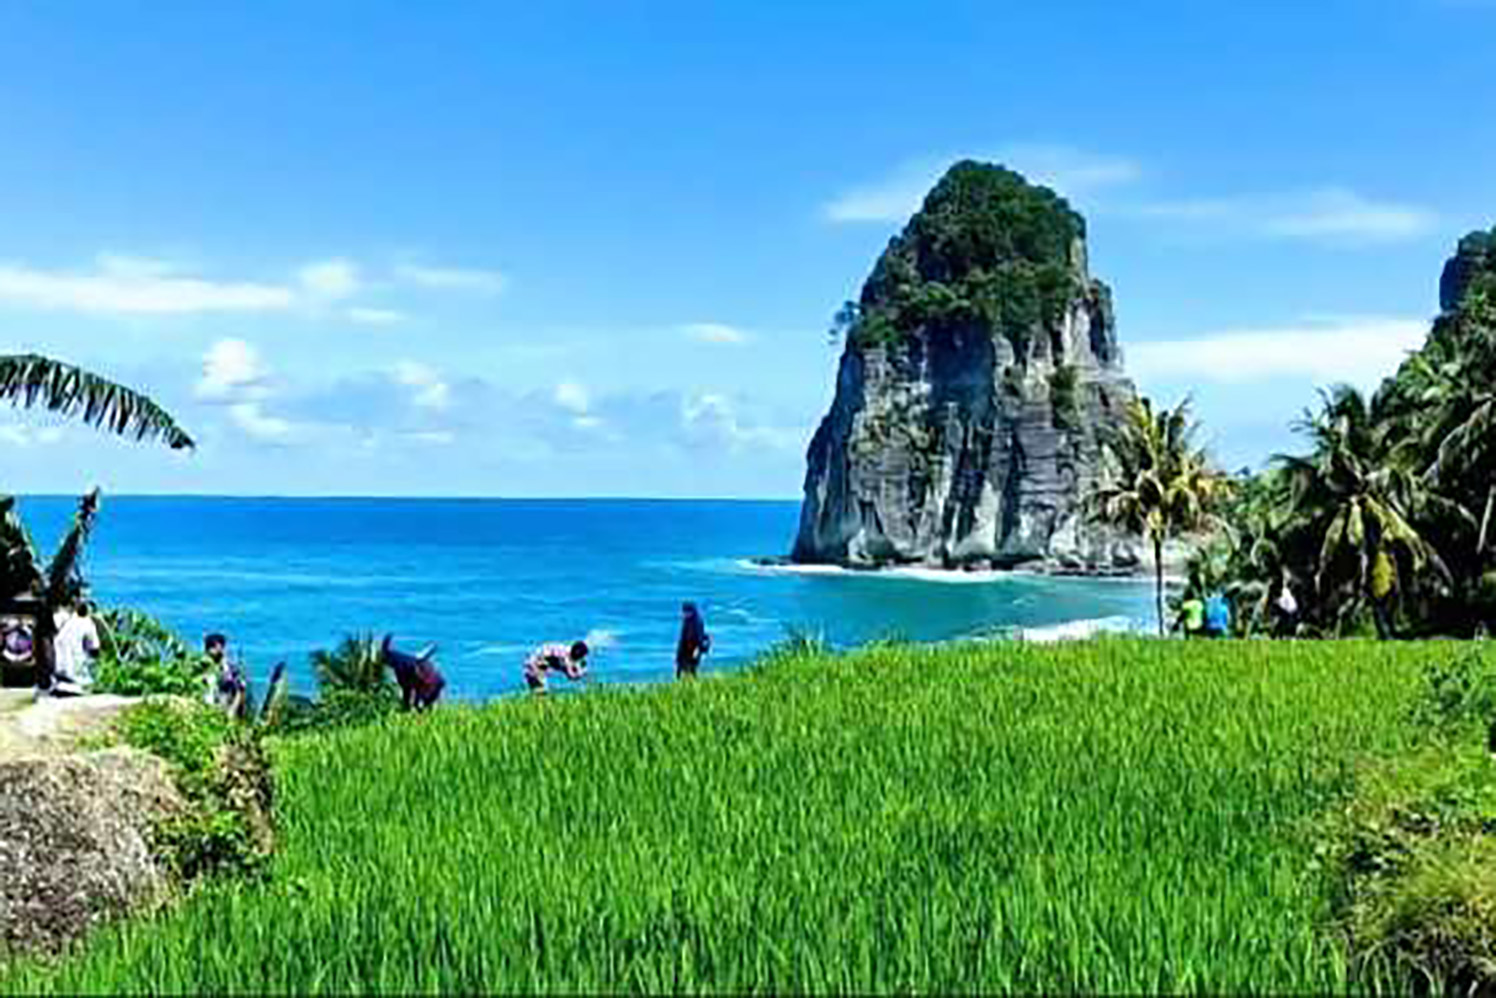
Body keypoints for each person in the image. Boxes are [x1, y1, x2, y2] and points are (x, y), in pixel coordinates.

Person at [381, 635, 446, 712]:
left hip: (415, 673)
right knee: (409, 690)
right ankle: (408, 707)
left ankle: (408, 708)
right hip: (413, 671)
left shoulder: (428, 680)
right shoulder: (422, 674)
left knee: (411, 692)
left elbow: (414, 689)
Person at [51, 599, 101, 697]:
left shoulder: (65, 620)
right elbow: (95, 647)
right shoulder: (88, 623)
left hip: (57, 670)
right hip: (75, 675)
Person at [201, 633, 248, 719]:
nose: (215, 650)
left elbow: (240, 690)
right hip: (205, 710)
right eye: (211, 647)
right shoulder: (201, 668)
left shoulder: (231, 669)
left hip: (225, 710)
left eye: (217, 647)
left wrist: (233, 710)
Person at [523, 640, 588, 695]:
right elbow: (571, 676)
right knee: (540, 692)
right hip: (534, 665)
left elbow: (572, 666)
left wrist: (579, 669)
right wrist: (583, 672)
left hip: (534, 662)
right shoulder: (565, 658)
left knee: (539, 691)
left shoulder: (567, 650)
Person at [675, 602, 711, 680]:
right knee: (681, 669)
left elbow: (699, 637)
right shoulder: (687, 621)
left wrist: (697, 649)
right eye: (684, 612)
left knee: (691, 669)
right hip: (684, 649)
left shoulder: (697, 622)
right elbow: (683, 637)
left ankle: (692, 684)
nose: (684, 614)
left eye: (686, 612)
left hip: (693, 649)